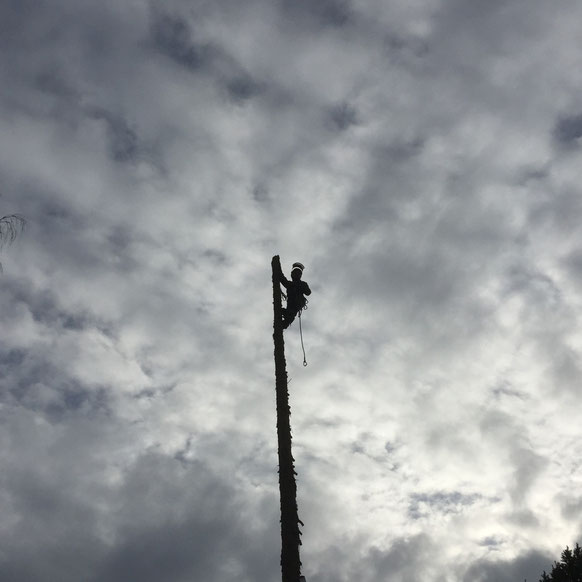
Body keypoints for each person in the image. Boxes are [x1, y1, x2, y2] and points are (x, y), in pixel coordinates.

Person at [279, 261, 311, 329]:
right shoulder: (290, 284)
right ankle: (284, 319)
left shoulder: (301, 284)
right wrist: (278, 271)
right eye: (295, 273)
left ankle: (284, 320)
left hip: (296, 303)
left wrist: (301, 287)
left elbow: (308, 292)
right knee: (289, 314)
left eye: (297, 274)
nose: (296, 275)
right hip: (292, 304)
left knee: (290, 315)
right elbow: (282, 279)